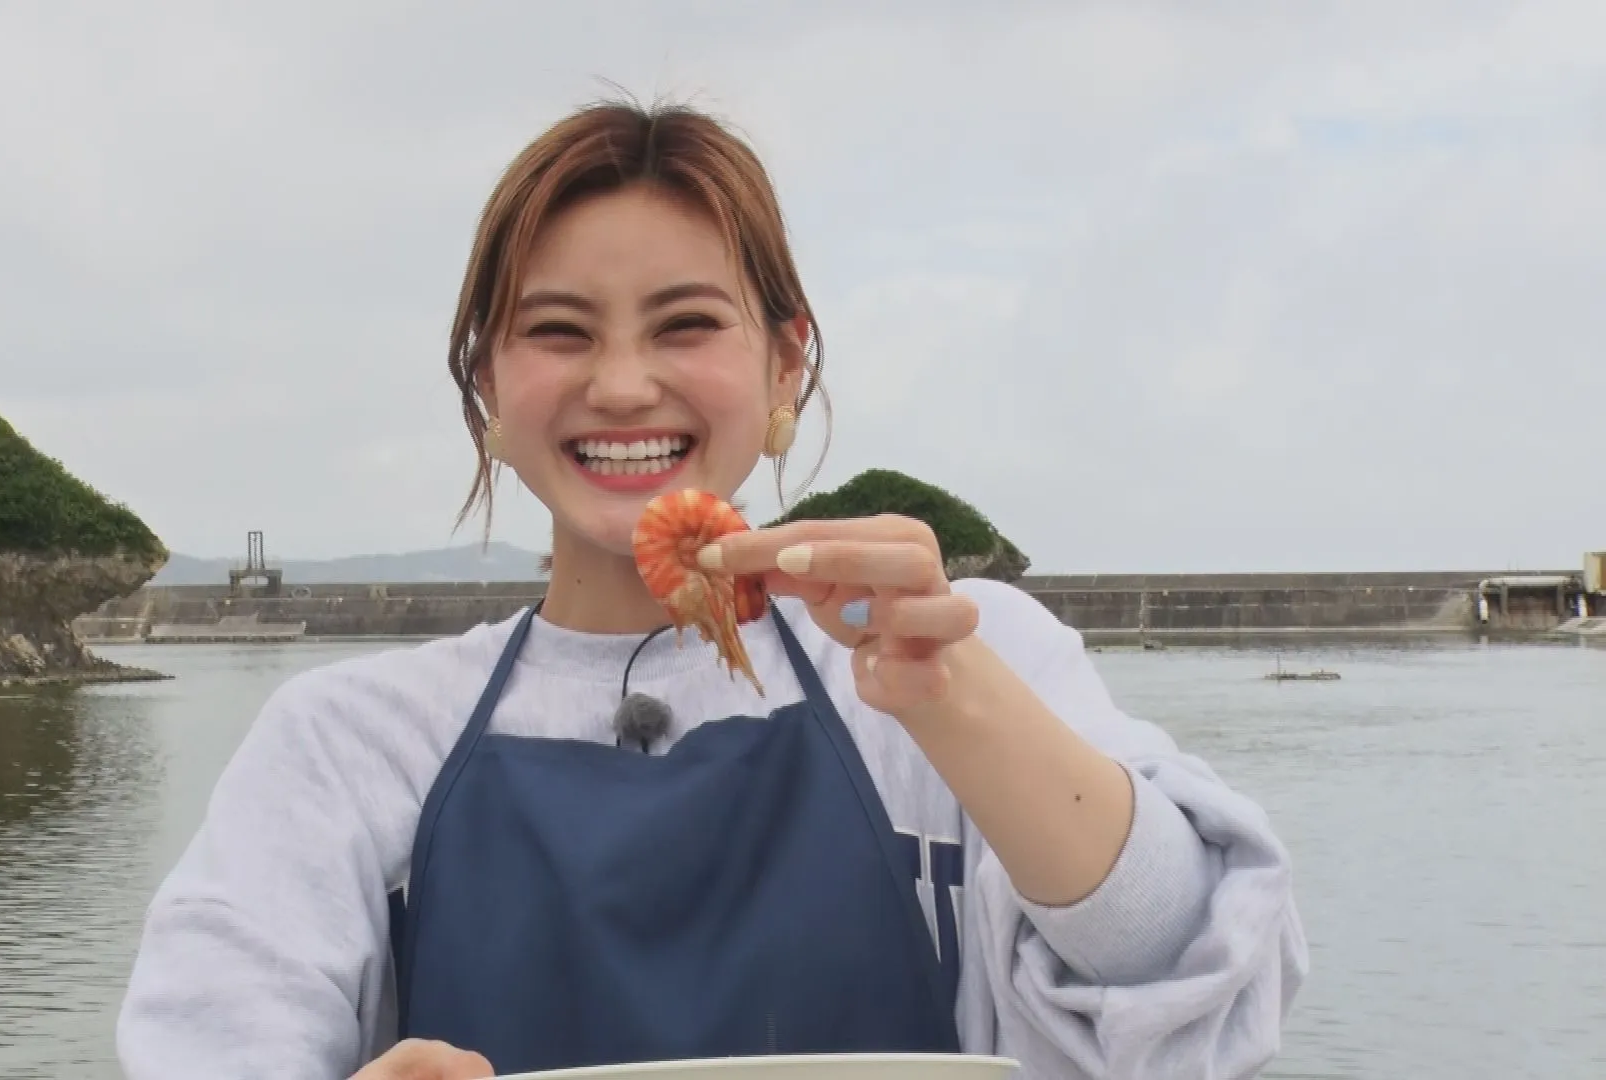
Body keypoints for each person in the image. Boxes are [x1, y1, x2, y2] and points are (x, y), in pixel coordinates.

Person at [116, 98, 1309, 1080]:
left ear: (786, 361)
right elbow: (209, 1039)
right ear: (485, 387)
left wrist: (959, 704)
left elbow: (1196, 986)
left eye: (686, 324)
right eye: (558, 332)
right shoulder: (344, 746)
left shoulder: (966, 651)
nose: (624, 385)